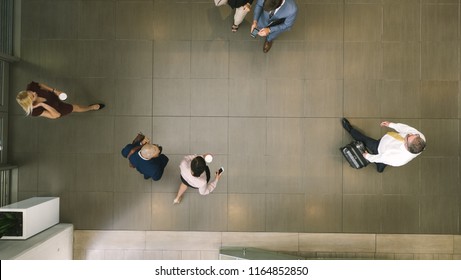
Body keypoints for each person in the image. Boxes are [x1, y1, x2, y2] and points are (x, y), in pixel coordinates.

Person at [341, 118, 426, 173]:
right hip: (386, 142)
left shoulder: (398, 159)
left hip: (379, 148)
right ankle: (380, 168)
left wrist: (368, 156)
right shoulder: (419, 136)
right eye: (414, 135)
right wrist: (391, 125)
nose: (410, 133)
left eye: (408, 136)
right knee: (382, 163)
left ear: (406, 145)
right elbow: (406, 129)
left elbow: (381, 158)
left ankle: (350, 129)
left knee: (364, 139)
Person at [16, 81, 104, 119]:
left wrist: (54, 91)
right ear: (31, 102)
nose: (34, 92)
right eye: (33, 95)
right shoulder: (34, 111)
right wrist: (42, 104)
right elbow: (56, 115)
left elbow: (40, 85)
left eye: (31, 92)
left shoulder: (31, 88)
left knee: (74, 106)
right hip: (55, 108)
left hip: (51, 96)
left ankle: (89, 107)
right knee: (75, 107)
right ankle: (91, 108)